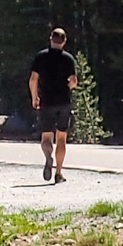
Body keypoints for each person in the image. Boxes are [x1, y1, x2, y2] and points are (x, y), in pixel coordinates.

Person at [28, 27, 78, 183]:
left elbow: (33, 79)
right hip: (63, 102)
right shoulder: (68, 59)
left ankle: (48, 157)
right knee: (61, 137)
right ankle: (58, 172)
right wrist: (67, 88)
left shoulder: (41, 57)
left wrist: (35, 97)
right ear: (64, 41)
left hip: (47, 101)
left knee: (46, 136)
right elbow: (74, 82)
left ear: (51, 39)